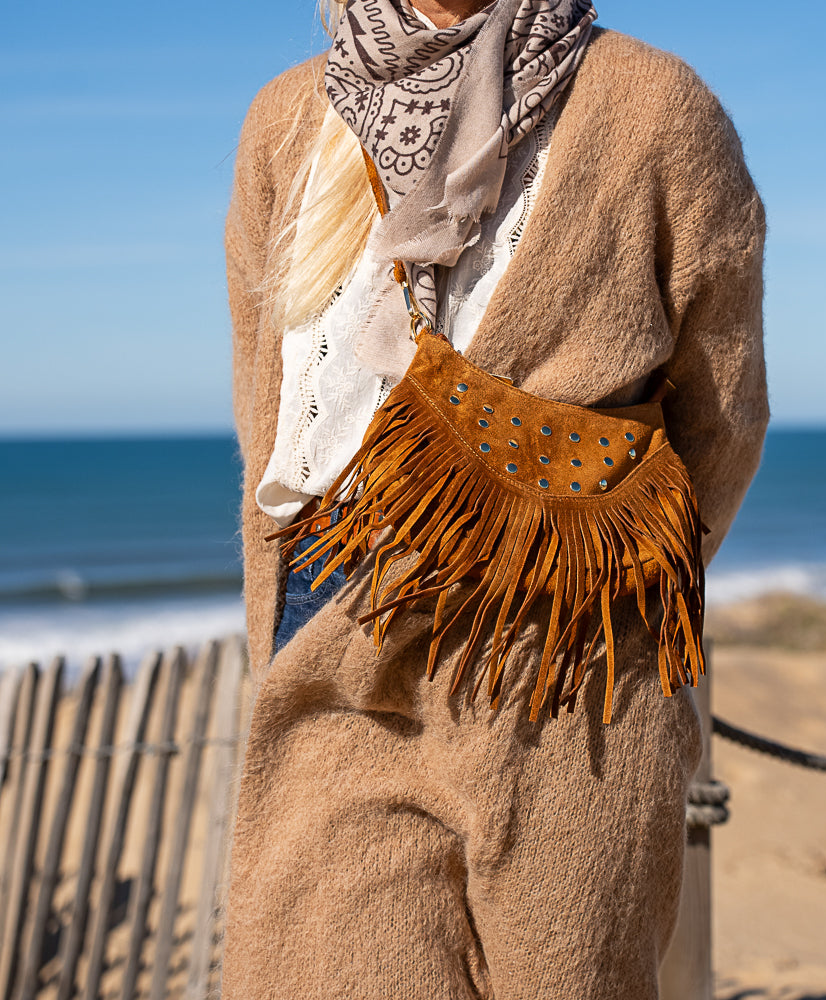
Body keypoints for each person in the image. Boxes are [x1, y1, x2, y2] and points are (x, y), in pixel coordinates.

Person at [221, 0, 767, 996]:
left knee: (567, 968)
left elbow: (722, 406)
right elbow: (269, 392)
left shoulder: (652, 102)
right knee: (329, 954)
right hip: (340, 601)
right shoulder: (287, 113)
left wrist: (607, 580)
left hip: (570, 625)